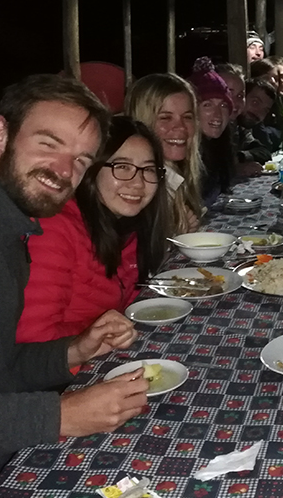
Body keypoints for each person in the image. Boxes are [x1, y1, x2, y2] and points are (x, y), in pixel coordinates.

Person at [0, 74, 146, 494]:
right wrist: (59, 415)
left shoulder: (8, 227)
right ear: (1, 132)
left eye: (80, 160)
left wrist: (75, 348)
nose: (62, 171)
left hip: (2, 454)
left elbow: (0, 369)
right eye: (49, 144)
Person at [16, 116, 168, 344]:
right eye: (122, 167)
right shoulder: (54, 229)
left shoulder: (128, 227)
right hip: (67, 374)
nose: (138, 183)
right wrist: (100, 334)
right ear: (91, 171)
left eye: (148, 169)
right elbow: (33, 340)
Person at [124, 73, 203, 233]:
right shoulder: (131, 183)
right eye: (165, 118)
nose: (181, 127)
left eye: (187, 117)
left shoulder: (173, 176)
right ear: (143, 122)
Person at [189, 57, 236, 206]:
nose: (217, 114)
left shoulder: (218, 146)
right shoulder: (182, 154)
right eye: (207, 105)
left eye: (223, 105)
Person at [235, 78, 279, 173]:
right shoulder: (220, 124)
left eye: (265, 110)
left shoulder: (240, 128)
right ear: (242, 98)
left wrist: (239, 157)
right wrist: (233, 168)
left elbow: (264, 152)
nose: (258, 112)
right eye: (255, 102)